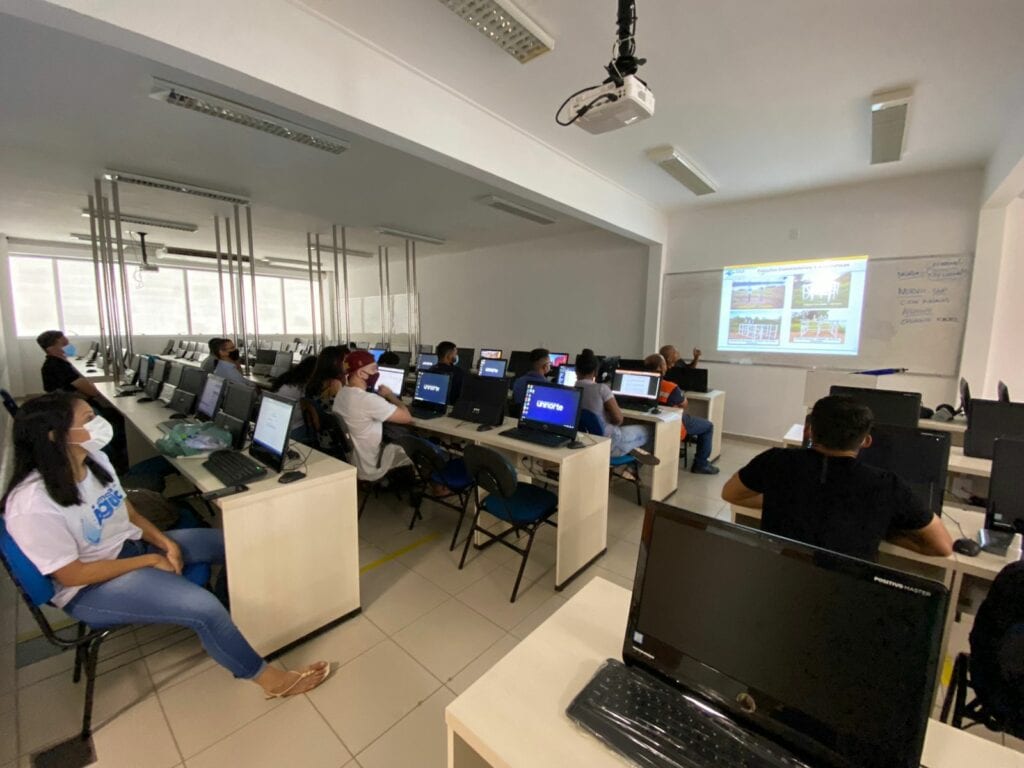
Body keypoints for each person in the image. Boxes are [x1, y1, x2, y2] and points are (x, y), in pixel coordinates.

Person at [2, 393, 329, 698]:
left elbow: (126, 511)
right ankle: (271, 681)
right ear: (54, 435)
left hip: (130, 549)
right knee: (204, 608)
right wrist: (148, 561)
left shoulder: (94, 459)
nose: (98, 421)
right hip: (90, 587)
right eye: (88, 419)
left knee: (238, 544)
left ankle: (229, 616)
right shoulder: (32, 504)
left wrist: (162, 543)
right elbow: (72, 575)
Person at [721, 395, 953, 561]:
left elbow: (730, 493)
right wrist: (883, 530)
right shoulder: (886, 485)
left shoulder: (775, 461)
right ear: (866, 440)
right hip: (844, 593)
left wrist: (778, 499)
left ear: (810, 431)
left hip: (778, 576)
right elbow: (942, 547)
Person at [36, 330, 129, 474]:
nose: (69, 346)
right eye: (64, 344)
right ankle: (118, 461)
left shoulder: (53, 364)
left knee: (112, 412)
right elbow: (92, 392)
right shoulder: (58, 366)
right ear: (51, 348)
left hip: (66, 408)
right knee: (116, 419)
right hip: (72, 411)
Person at [332, 350, 412, 481]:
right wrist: (390, 395)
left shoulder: (342, 393)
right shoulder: (367, 400)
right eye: (374, 369)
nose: (377, 373)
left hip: (353, 460)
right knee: (412, 439)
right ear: (360, 373)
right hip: (370, 465)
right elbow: (407, 417)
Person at [575, 354, 659, 470]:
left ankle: (630, 449)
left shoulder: (571, 390)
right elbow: (619, 419)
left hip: (587, 442)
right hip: (611, 443)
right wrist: (608, 418)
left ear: (576, 371)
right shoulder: (601, 389)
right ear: (595, 372)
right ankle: (632, 469)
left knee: (630, 429)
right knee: (652, 429)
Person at [645, 353, 718, 474]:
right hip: (673, 423)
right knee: (708, 426)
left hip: (651, 421)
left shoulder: (641, 383)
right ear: (661, 367)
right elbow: (684, 404)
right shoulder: (670, 387)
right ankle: (701, 464)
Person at [271, 355, 317, 436]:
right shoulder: (303, 387)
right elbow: (315, 421)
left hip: (275, 424)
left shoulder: (288, 379)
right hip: (292, 430)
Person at [304, 346, 347, 413]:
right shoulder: (334, 384)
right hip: (330, 420)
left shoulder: (314, 380)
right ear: (335, 362)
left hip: (321, 420)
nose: (345, 364)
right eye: (344, 361)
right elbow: (339, 411)